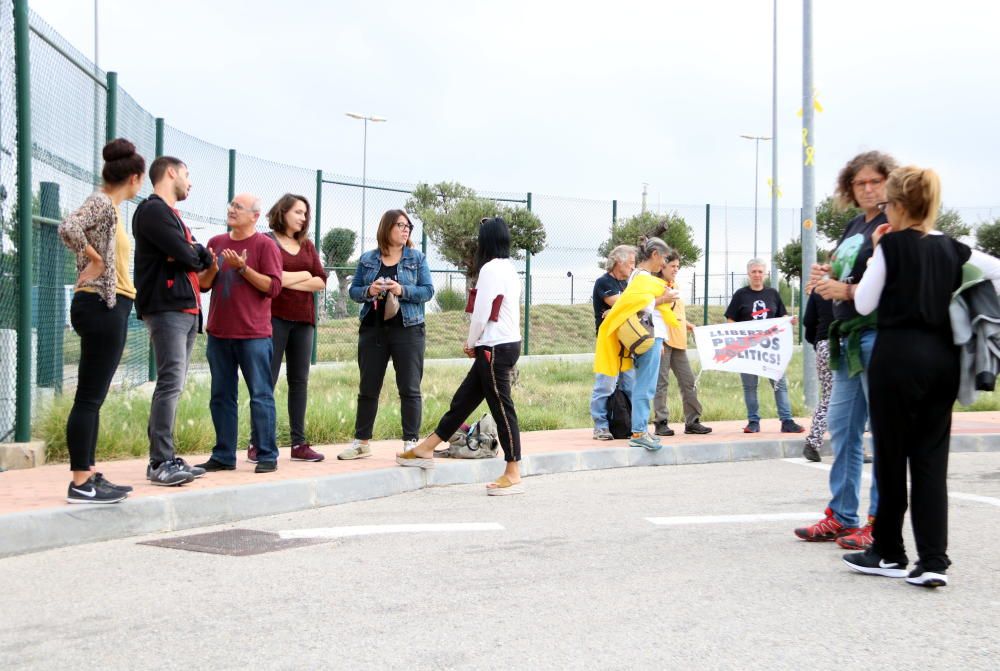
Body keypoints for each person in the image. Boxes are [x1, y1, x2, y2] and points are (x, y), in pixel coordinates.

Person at [842, 167, 1000, 587]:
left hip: (896, 357)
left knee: (892, 458)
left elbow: (864, 304)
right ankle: (933, 560)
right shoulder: (954, 247)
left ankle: (889, 550)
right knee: (931, 461)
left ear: (895, 206)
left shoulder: (890, 245)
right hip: (941, 358)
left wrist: (877, 254)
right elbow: (996, 270)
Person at [795, 150, 898, 550]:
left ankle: (879, 521)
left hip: (879, 335)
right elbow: (846, 269)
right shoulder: (857, 224)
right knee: (842, 428)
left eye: (875, 181)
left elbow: (900, 284)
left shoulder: (896, 224)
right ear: (850, 189)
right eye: (861, 183)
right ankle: (842, 516)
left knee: (886, 434)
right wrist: (827, 274)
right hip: (848, 340)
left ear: (890, 181)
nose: (869, 188)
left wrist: (848, 290)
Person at [395, 217, 523, 495]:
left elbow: (482, 312)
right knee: (464, 399)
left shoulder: (490, 269)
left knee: (502, 409)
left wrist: (471, 342)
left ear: (486, 240)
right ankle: (426, 448)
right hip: (508, 342)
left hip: (493, 346)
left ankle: (513, 471)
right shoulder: (511, 269)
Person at [58, 139, 145, 503]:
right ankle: (80, 482)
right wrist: (93, 258)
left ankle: (89, 474)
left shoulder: (113, 209)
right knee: (89, 398)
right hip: (99, 305)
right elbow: (68, 227)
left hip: (110, 307)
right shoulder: (102, 203)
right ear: (136, 178)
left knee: (93, 396)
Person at [133, 155, 214, 486]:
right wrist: (190, 252)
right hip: (166, 307)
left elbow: (196, 255)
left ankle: (166, 455)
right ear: (170, 173)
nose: (190, 182)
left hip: (186, 308)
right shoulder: (153, 211)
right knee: (169, 383)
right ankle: (160, 461)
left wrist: (192, 251)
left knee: (174, 384)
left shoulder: (172, 216)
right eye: (187, 173)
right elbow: (191, 256)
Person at [195, 193, 283, 474]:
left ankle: (267, 454)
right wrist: (212, 267)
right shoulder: (216, 244)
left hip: (254, 336)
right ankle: (223, 454)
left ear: (255, 216)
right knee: (221, 395)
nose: (231, 210)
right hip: (219, 333)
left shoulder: (264, 245)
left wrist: (243, 269)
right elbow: (203, 285)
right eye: (231, 204)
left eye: (238, 207)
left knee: (260, 395)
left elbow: (273, 287)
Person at [339, 209, 434, 460]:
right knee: (368, 387)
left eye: (409, 227)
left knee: (409, 387)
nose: (406, 230)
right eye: (400, 225)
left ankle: (410, 443)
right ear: (387, 227)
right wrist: (369, 290)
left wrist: (401, 289)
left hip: (408, 328)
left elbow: (428, 291)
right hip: (373, 329)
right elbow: (354, 291)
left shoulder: (417, 258)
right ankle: (362, 442)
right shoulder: (368, 259)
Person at [246, 194, 328, 464]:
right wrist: (301, 276)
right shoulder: (265, 241)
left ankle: (299, 444)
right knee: (266, 381)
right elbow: (268, 279)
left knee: (299, 382)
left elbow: (320, 282)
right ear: (282, 212)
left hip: (304, 321)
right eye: (298, 212)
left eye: (305, 213)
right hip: (273, 319)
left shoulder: (307, 246)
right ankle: (258, 442)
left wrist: (287, 280)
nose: (303, 218)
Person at [594, 236, 679, 451]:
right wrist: (665, 297)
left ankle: (640, 429)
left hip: (651, 337)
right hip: (648, 337)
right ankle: (639, 431)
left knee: (642, 386)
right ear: (655, 255)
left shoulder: (640, 277)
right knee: (645, 387)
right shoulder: (642, 278)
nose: (664, 264)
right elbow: (641, 306)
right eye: (663, 259)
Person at [725, 259, 803, 434]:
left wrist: (790, 321)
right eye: (754, 272)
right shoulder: (740, 295)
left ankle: (787, 421)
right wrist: (737, 333)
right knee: (750, 386)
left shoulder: (773, 294)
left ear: (765, 274)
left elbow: (783, 317)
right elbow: (730, 319)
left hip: (771, 350)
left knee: (779, 385)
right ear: (748, 274)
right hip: (748, 350)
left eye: (760, 271)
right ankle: (753, 422)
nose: (757, 275)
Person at [652, 249, 712, 436]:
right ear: (662, 266)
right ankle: (661, 422)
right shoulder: (655, 285)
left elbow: (675, 314)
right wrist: (656, 339)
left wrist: (691, 326)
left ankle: (692, 421)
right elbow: (652, 311)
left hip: (679, 342)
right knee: (661, 383)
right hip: (663, 340)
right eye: (672, 266)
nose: (676, 269)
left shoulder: (675, 285)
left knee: (689, 382)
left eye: (678, 266)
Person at [590, 244, 636, 440]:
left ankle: (630, 424)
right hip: (608, 342)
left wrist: (622, 308)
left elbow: (633, 306)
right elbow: (621, 303)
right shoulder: (604, 282)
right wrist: (626, 306)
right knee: (605, 386)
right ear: (619, 262)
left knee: (630, 386)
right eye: (631, 263)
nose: (633, 268)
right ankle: (600, 425)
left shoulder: (627, 285)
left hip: (626, 341)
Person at [800, 282, 834, 462]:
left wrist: (817, 342)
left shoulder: (818, 289)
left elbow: (808, 322)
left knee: (828, 396)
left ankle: (813, 442)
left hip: (823, 344)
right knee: (853, 398)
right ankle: (854, 446)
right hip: (843, 342)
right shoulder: (849, 286)